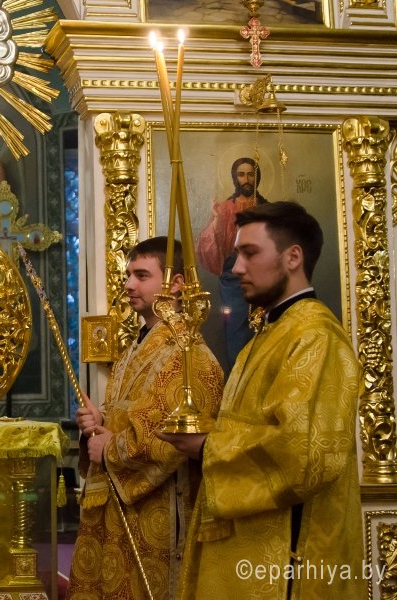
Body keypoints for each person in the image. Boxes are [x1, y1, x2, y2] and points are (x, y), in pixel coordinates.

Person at [161, 202, 364, 599]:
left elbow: (304, 455)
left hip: (284, 564)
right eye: (237, 255)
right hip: (247, 550)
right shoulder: (270, 334)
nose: (237, 268)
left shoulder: (315, 337)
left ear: (293, 257)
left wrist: (206, 448)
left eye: (250, 253)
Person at [68, 237, 223, 600]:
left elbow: (173, 439)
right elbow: (131, 411)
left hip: (160, 512)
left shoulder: (189, 355)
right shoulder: (135, 348)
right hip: (120, 507)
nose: (128, 285)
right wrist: (99, 418)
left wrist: (110, 448)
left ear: (176, 284)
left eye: (141, 275)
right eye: (128, 275)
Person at [196, 157, 268, 370]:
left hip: (263, 276)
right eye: (241, 174)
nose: (246, 179)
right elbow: (208, 246)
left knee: (263, 330)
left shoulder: (267, 208)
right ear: (235, 178)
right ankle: (237, 374)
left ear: (257, 177)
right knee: (235, 331)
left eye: (251, 174)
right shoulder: (225, 209)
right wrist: (215, 221)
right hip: (232, 280)